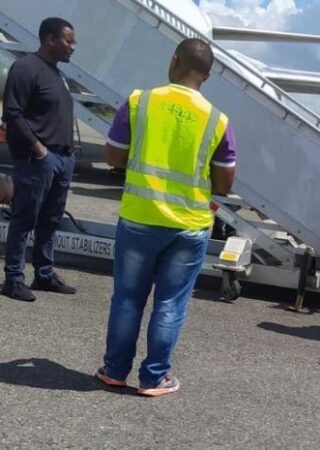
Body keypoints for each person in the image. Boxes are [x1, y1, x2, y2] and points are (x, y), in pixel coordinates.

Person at [96, 38, 236, 397]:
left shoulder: (139, 102)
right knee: (171, 303)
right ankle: (154, 378)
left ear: (174, 61)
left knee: (128, 299)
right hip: (188, 225)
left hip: (140, 217)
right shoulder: (218, 121)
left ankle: (114, 371)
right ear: (207, 76)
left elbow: (113, 157)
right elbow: (224, 181)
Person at [1, 17, 77, 302]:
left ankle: (43, 275)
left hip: (63, 158)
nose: (73, 47)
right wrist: (38, 148)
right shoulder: (25, 69)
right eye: (69, 41)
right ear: (50, 39)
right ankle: (14, 280)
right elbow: (13, 114)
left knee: (50, 219)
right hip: (38, 159)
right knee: (25, 219)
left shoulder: (58, 74)